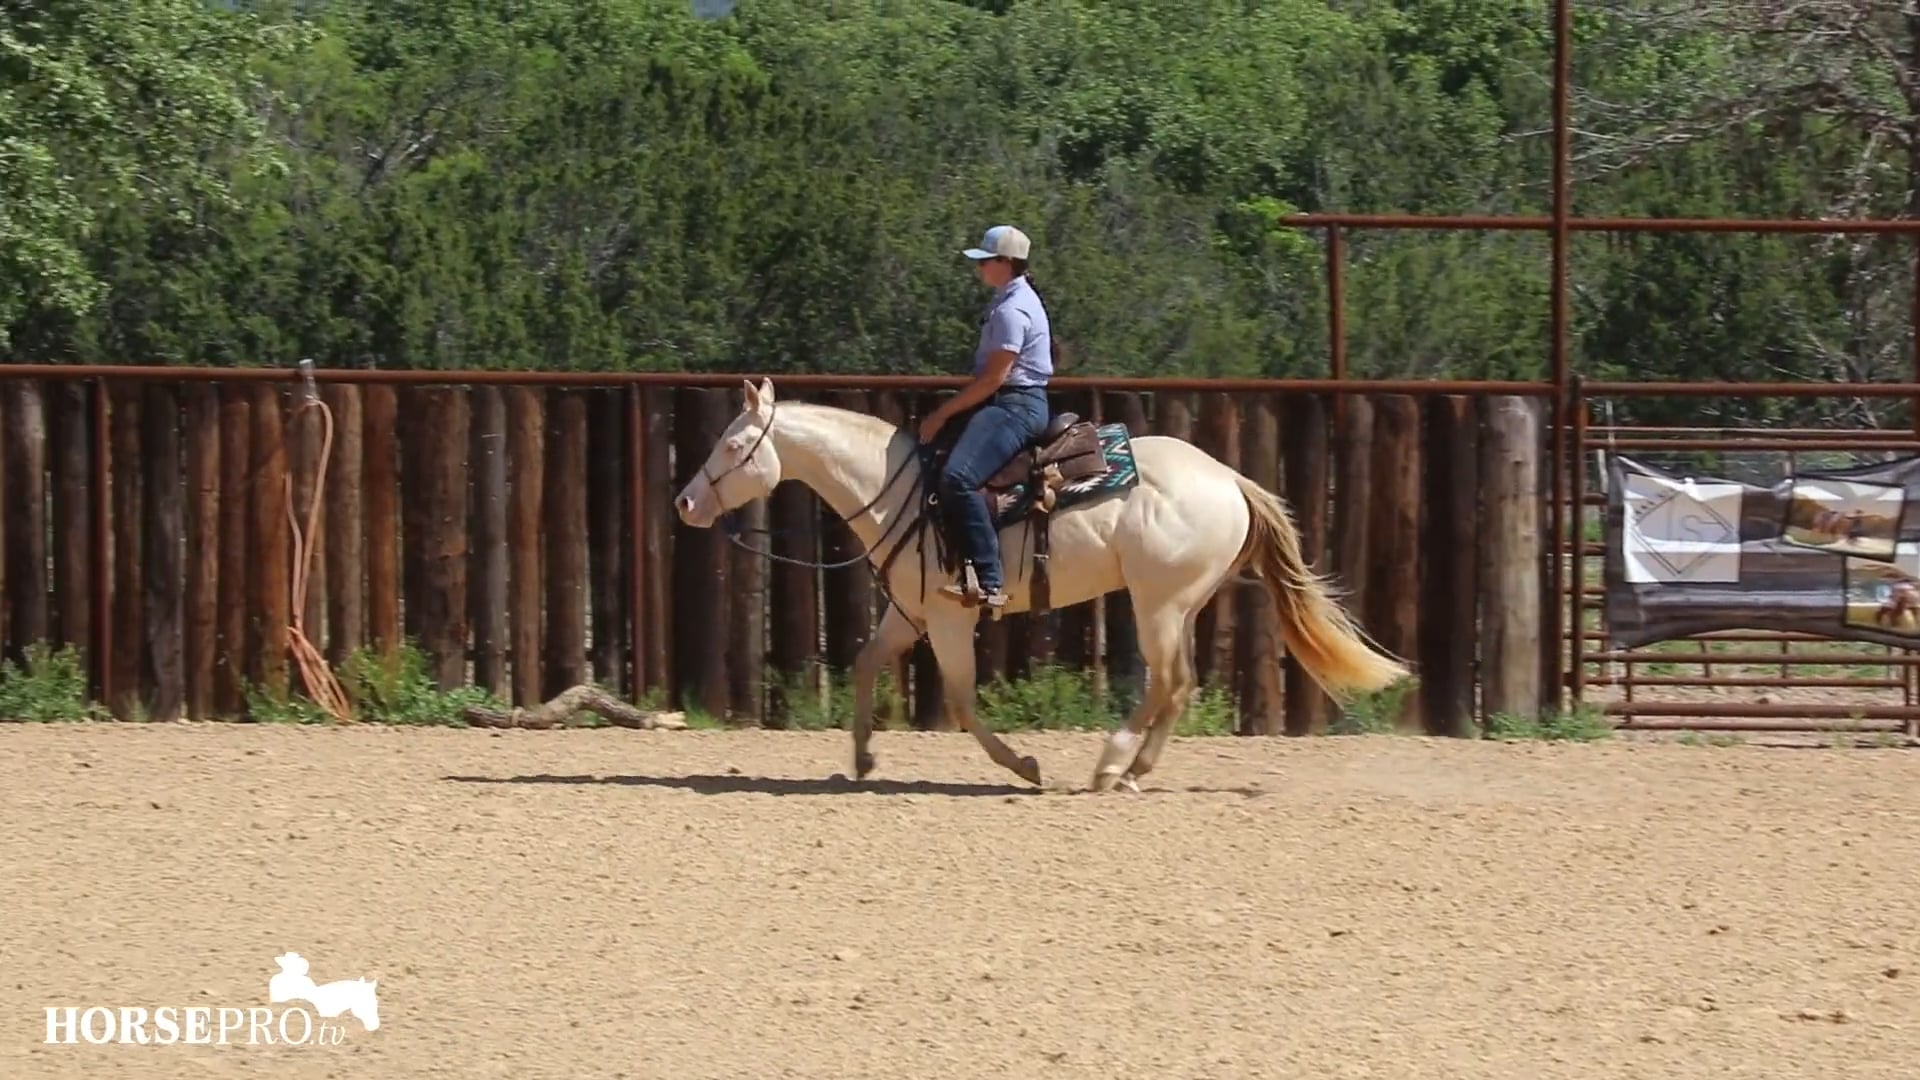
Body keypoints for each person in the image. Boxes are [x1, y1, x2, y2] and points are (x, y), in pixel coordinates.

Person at [916, 224, 1055, 610]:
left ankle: (989, 579)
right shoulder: (1009, 300)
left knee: (958, 478)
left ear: (1006, 263)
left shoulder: (1012, 310)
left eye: (985, 261)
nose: (980, 268)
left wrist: (941, 414)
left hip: (1016, 407)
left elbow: (994, 379)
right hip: (1011, 402)